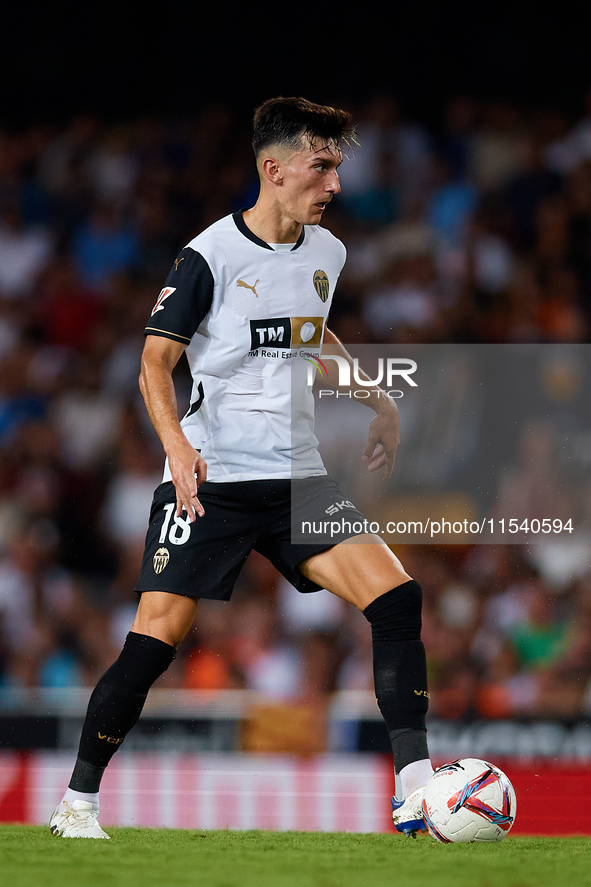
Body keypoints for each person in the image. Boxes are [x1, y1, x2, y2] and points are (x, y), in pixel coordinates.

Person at [49, 97, 433, 839]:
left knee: (397, 597)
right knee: (152, 644)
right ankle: (78, 802)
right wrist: (176, 447)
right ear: (274, 168)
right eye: (321, 166)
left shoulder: (330, 253)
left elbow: (314, 337)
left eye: (337, 167)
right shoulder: (208, 255)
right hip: (212, 478)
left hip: (297, 478)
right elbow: (153, 365)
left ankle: (416, 784)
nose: (334, 184)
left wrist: (375, 399)